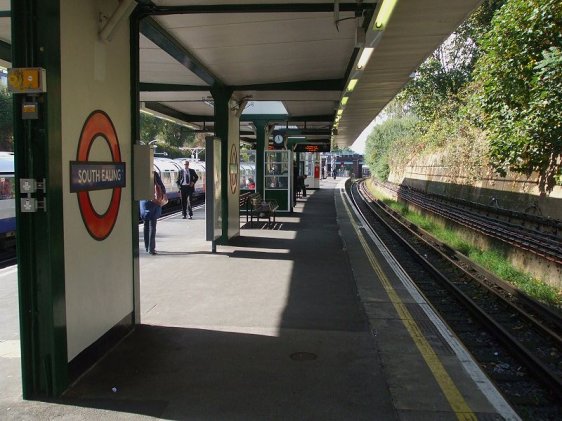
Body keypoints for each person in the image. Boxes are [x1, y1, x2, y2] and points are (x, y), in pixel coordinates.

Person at [140, 171, 166, 255]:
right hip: (154, 202)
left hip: (144, 201)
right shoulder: (154, 173)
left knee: (146, 225)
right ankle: (151, 249)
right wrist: (163, 194)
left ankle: (147, 247)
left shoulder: (140, 173)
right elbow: (161, 186)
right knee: (152, 226)